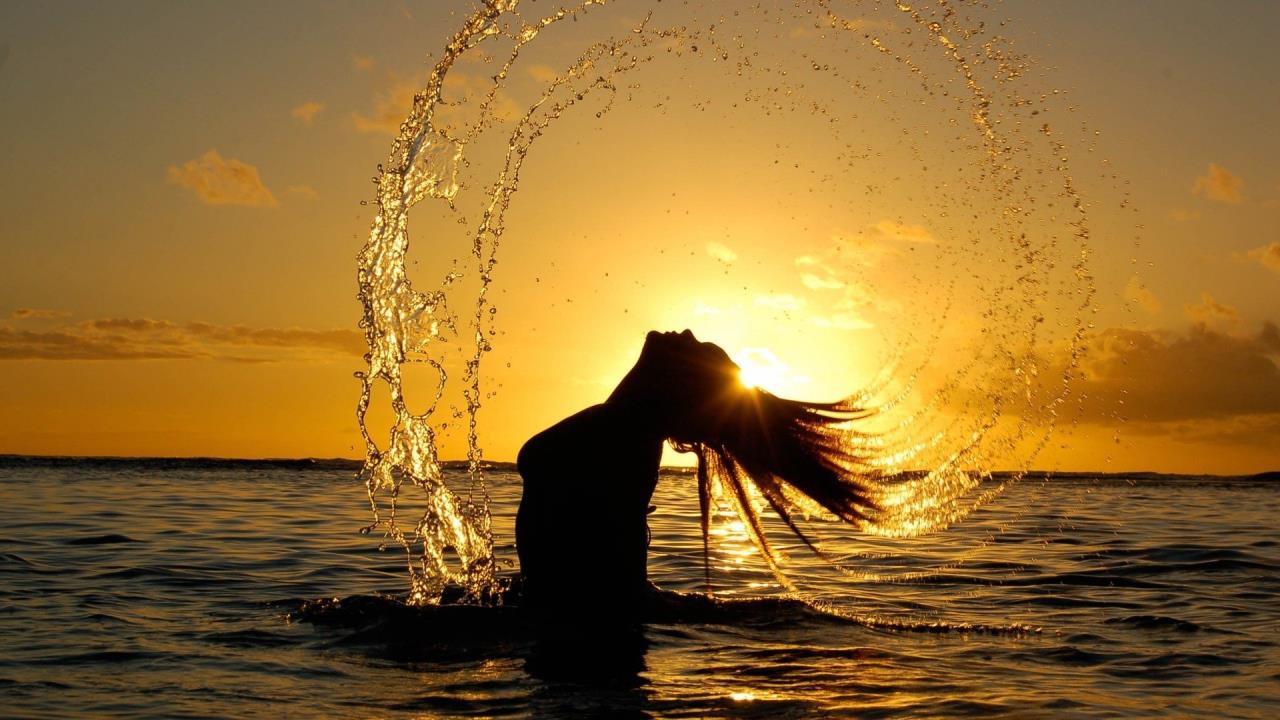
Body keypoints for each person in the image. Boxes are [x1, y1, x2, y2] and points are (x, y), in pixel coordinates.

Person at [515, 329, 883, 624]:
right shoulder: (623, 426)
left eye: (701, 349)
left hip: (588, 648)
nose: (689, 332)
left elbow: (601, 586)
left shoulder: (626, 438)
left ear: (683, 386)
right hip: (582, 638)